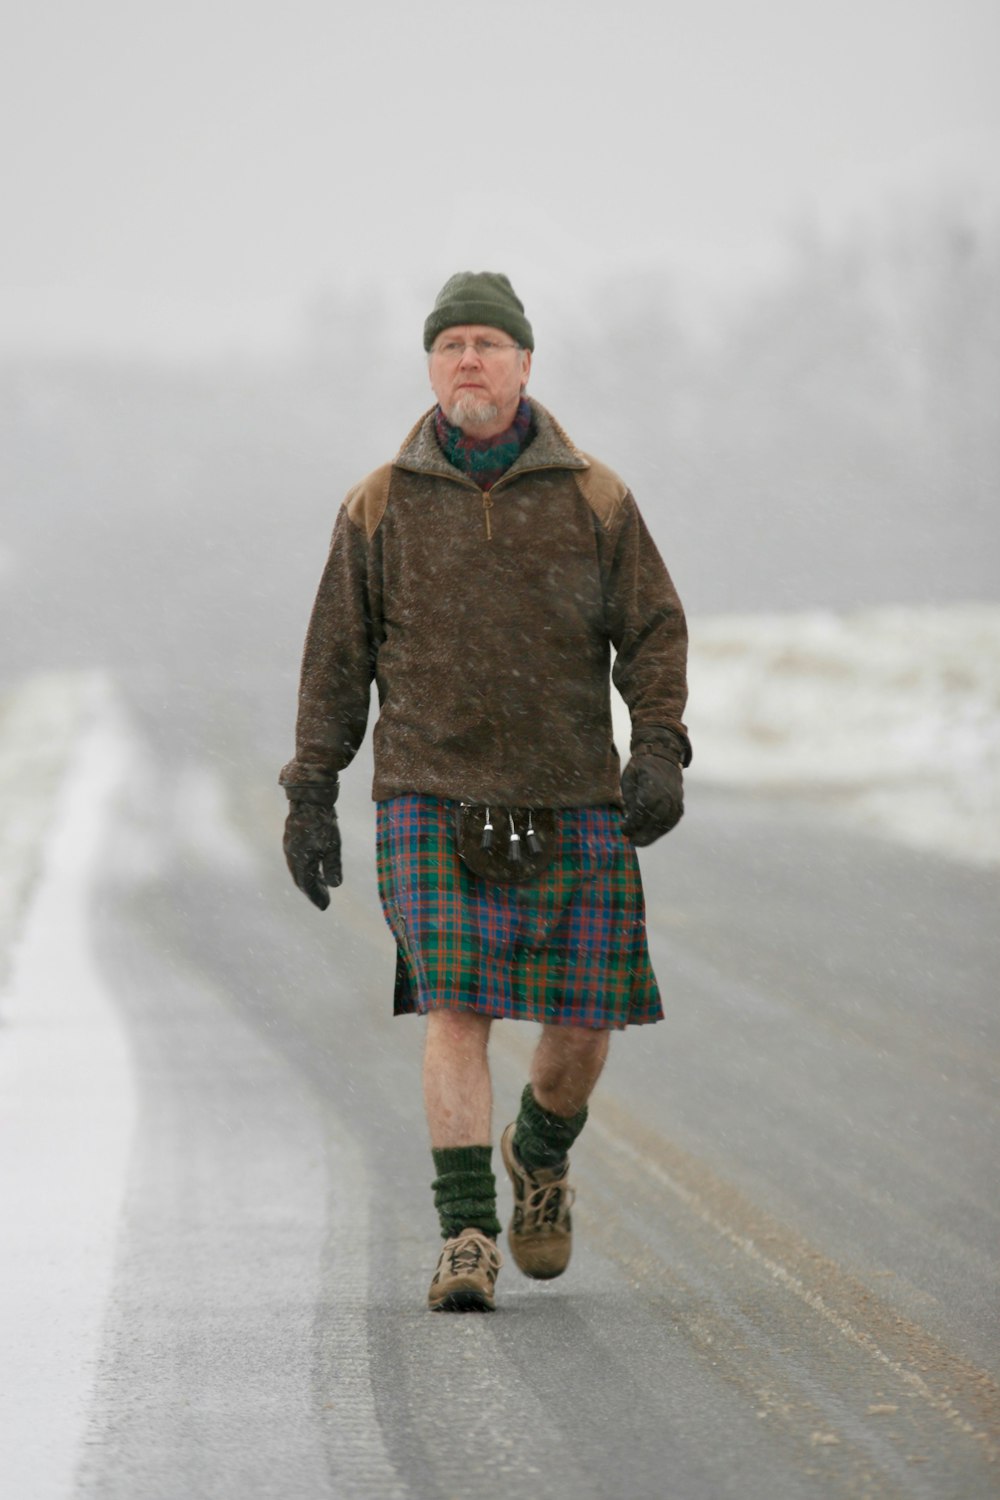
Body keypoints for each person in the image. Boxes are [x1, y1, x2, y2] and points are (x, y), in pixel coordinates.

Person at [280, 271, 691, 1312]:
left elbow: (651, 633)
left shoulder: (594, 496)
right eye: (451, 342)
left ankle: (538, 1150)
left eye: (488, 343)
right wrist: (312, 789)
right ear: (431, 364)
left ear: (524, 362)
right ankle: (465, 1235)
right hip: (430, 792)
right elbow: (337, 659)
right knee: (455, 1008)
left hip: (570, 793)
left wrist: (657, 747)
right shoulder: (378, 503)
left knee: (583, 1028)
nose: (469, 359)